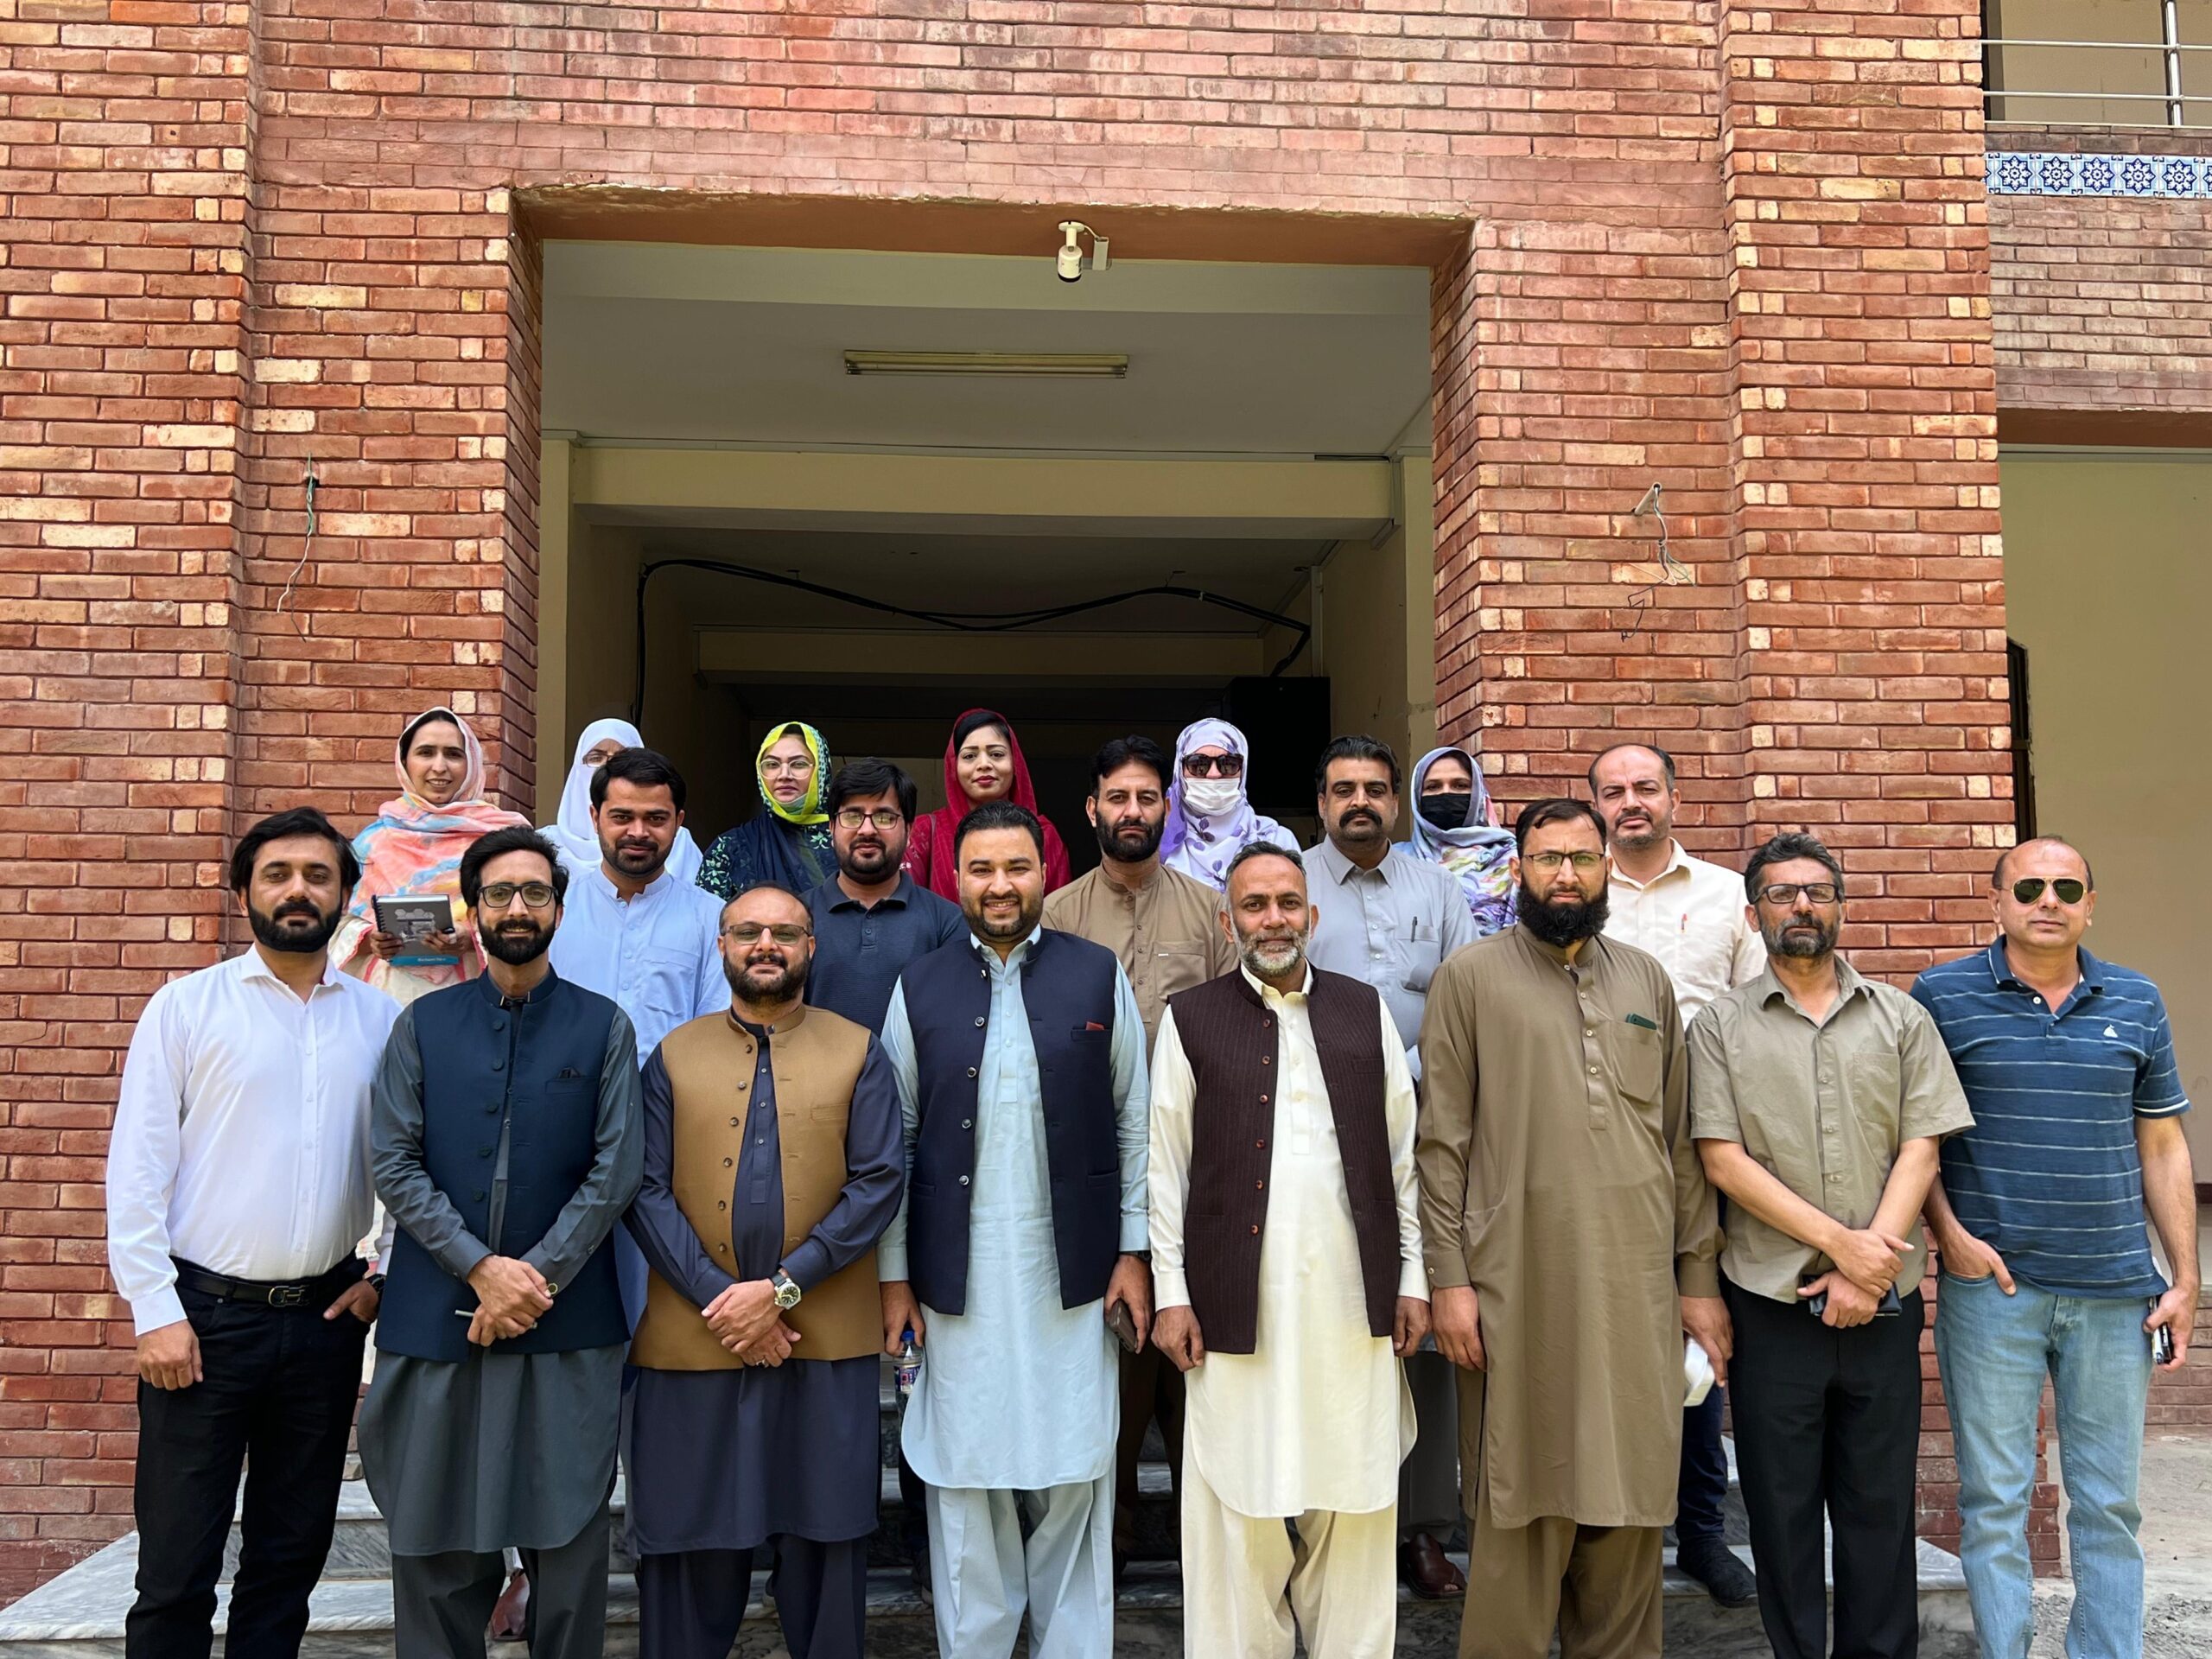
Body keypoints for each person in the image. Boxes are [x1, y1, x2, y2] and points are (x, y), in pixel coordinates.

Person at [1418, 798, 1726, 1659]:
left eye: (1582, 859)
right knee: (1521, 1491)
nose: (1566, 875)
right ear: (1518, 868)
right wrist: (1449, 1280)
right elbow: (1441, 1142)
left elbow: (1679, 1141)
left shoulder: (1646, 982)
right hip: (1514, 1281)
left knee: (1629, 1493)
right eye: (1548, 858)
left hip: (1635, 1284)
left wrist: (1697, 1282)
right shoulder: (1468, 978)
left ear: (1605, 869)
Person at [105, 809, 397, 1659]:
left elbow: (407, 1164)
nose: (298, 890)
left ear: (345, 895)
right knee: (176, 1568)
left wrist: (384, 1273)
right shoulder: (186, 1009)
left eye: (318, 876)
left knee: (287, 1560)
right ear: (244, 894)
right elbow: (137, 1172)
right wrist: (155, 1312)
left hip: (324, 1323)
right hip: (201, 1324)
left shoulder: (378, 1021)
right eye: (277, 875)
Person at [875, 801, 1150, 1658]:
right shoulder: (919, 985)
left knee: (1075, 1474)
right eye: (983, 869)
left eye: (1017, 868)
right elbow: (896, 1137)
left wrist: (1134, 1252)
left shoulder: (1096, 974)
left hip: (1071, 1275)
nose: (1001, 885)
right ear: (955, 879)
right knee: (965, 1482)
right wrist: (894, 1276)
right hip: (954, 1280)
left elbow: (1134, 1119)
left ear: (1044, 874)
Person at [361, 826, 644, 1659]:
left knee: (567, 1547)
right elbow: (393, 1161)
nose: (517, 908)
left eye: (535, 893)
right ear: (474, 909)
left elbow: (616, 1171)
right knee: (434, 1546)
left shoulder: (604, 1027)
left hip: (568, 1327)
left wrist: (531, 1281)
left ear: (558, 909)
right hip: (434, 1322)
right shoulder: (423, 1025)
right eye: (499, 893)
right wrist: (481, 1269)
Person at [1689, 832, 1974, 1659]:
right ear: (1754, 914)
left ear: (1842, 907)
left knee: (1879, 1507)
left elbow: (1922, 1146)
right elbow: (1722, 1160)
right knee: (1780, 1512)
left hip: (1884, 1304)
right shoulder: (1718, 1026)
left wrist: (1870, 1264)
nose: (1802, 906)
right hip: (1771, 1303)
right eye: (1781, 894)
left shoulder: (1901, 1017)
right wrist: (1843, 1248)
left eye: (1817, 891)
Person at [1911, 836, 2197, 1659]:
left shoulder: (2136, 999)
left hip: (2115, 1293)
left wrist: (2184, 1277)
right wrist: (1949, 1236)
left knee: (2109, 1504)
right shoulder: (1942, 995)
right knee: (1994, 1501)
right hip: (1992, 1292)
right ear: (1996, 901)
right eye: (2029, 886)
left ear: (2090, 906)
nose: (2048, 901)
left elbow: (2162, 1144)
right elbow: (1915, 1134)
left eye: (2067, 889)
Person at [1150, 842, 1429, 1658]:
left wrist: (1413, 1278)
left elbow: (1403, 1157)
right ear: (1228, 921)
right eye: (1253, 905)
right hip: (1236, 1307)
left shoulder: (1363, 1009)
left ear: (1312, 913)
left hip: (1352, 1304)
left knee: (1356, 1500)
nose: (1272, 920)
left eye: (1286, 903)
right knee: (1237, 1506)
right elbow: (1165, 1168)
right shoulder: (1191, 1018)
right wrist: (1172, 1293)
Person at [622, 882, 904, 1659]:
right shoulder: (673, 1055)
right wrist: (725, 1303)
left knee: (825, 1535)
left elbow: (879, 1182)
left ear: (812, 945)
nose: (766, 946)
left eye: (784, 932)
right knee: (687, 1536)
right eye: (748, 932)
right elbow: (642, 1188)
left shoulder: (858, 1049)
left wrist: (780, 1291)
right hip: (693, 1338)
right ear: (722, 946)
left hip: (821, 1340)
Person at [1042, 734, 1240, 1583]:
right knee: (1113, 1370)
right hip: (1095, 1173)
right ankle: (1110, 1542)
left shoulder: (1210, 911)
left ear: (1167, 808)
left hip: (1199, 1170)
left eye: (1146, 797)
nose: (1132, 811)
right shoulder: (1057, 915)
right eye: (1116, 797)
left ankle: (1210, 1555)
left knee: (1196, 1368)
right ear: (1091, 808)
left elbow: (1241, 1031)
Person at [1589, 740, 1767, 1609]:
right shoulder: (1576, 894)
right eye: (1613, 791)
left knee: (1700, 1337)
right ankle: (1606, 1525)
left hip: (1705, 1148)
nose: (1631, 802)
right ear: (1596, 806)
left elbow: (1760, 1016)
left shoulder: (1728, 897)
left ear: (1674, 798)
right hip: (1598, 1150)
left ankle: (1699, 1531)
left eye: (1645, 788)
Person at [1303, 733, 1477, 1600]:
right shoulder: (1290, 884)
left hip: (1424, 1132)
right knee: (1328, 1321)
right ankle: (1330, 1519)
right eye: (1344, 790)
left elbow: (1464, 1003)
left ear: (1395, 801)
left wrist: (1402, 1072)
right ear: (1321, 802)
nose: (1361, 802)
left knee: (1425, 1325)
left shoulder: (1437, 889)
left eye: (1375, 788)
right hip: (1316, 1136)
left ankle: (1421, 1528)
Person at [798, 755, 965, 1599]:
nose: (868, 829)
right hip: (812, 1176)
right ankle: (829, 1546)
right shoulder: (796, 919)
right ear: (831, 828)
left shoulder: (944, 922)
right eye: (853, 815)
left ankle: (928, 1543)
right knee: (827, 1377)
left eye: (885, 816)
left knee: (921, 1370)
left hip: (922, 1172)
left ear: (909, 828)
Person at [546, 746, 725, 1326]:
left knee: (657, 1304)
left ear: (679, 823)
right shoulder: (554, 912)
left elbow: (716, 1037)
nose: (639, 832)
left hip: (669, 1141)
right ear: (595, 816)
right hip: (561, 1134)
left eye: (656, 818)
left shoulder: (711, 918)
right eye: (622, 816)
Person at [331, 706, 530, 1004]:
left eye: (453, 754)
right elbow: (334, 923)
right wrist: (369, 939)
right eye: (426, 753)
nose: (439, 767)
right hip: (385, 1001)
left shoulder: (504, 842)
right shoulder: (374, 842)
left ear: (472, 763)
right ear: (404, 762)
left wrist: (471, 937)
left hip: (476, 1001)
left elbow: (530, 917)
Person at [901, 709, 1071, 900]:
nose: (984, 764)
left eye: (996, 754)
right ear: (953, 767)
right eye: (969, 756)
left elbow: (1056, 911)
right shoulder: (924, 833)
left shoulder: (1044, 835)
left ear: (1015, 763)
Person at [540, 718, 703, 885]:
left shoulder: (679, 843)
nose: (605, 767)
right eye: (596, 758)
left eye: (620, 759)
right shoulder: (545, 844)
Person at [698, 721, 836, 900]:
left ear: (822, 770)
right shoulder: (729, 848)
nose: (784, 775)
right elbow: (706, 914)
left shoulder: (851, 838)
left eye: (798, 764)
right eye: (772, 765)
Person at [1158, 717, 1294, 889]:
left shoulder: (1276, 839)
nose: (1213, 774)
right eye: (1198, 765)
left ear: (1243, 770)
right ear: (1180, 770)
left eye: (1228, 764)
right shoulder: (1158, 842)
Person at [1405, 746, 1516, 936]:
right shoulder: (1397, 861)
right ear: (1417, 797)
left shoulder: (1511, 860)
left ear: (1477, 793)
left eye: (1460, 785)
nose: (1446, 794)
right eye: (1433, 787)